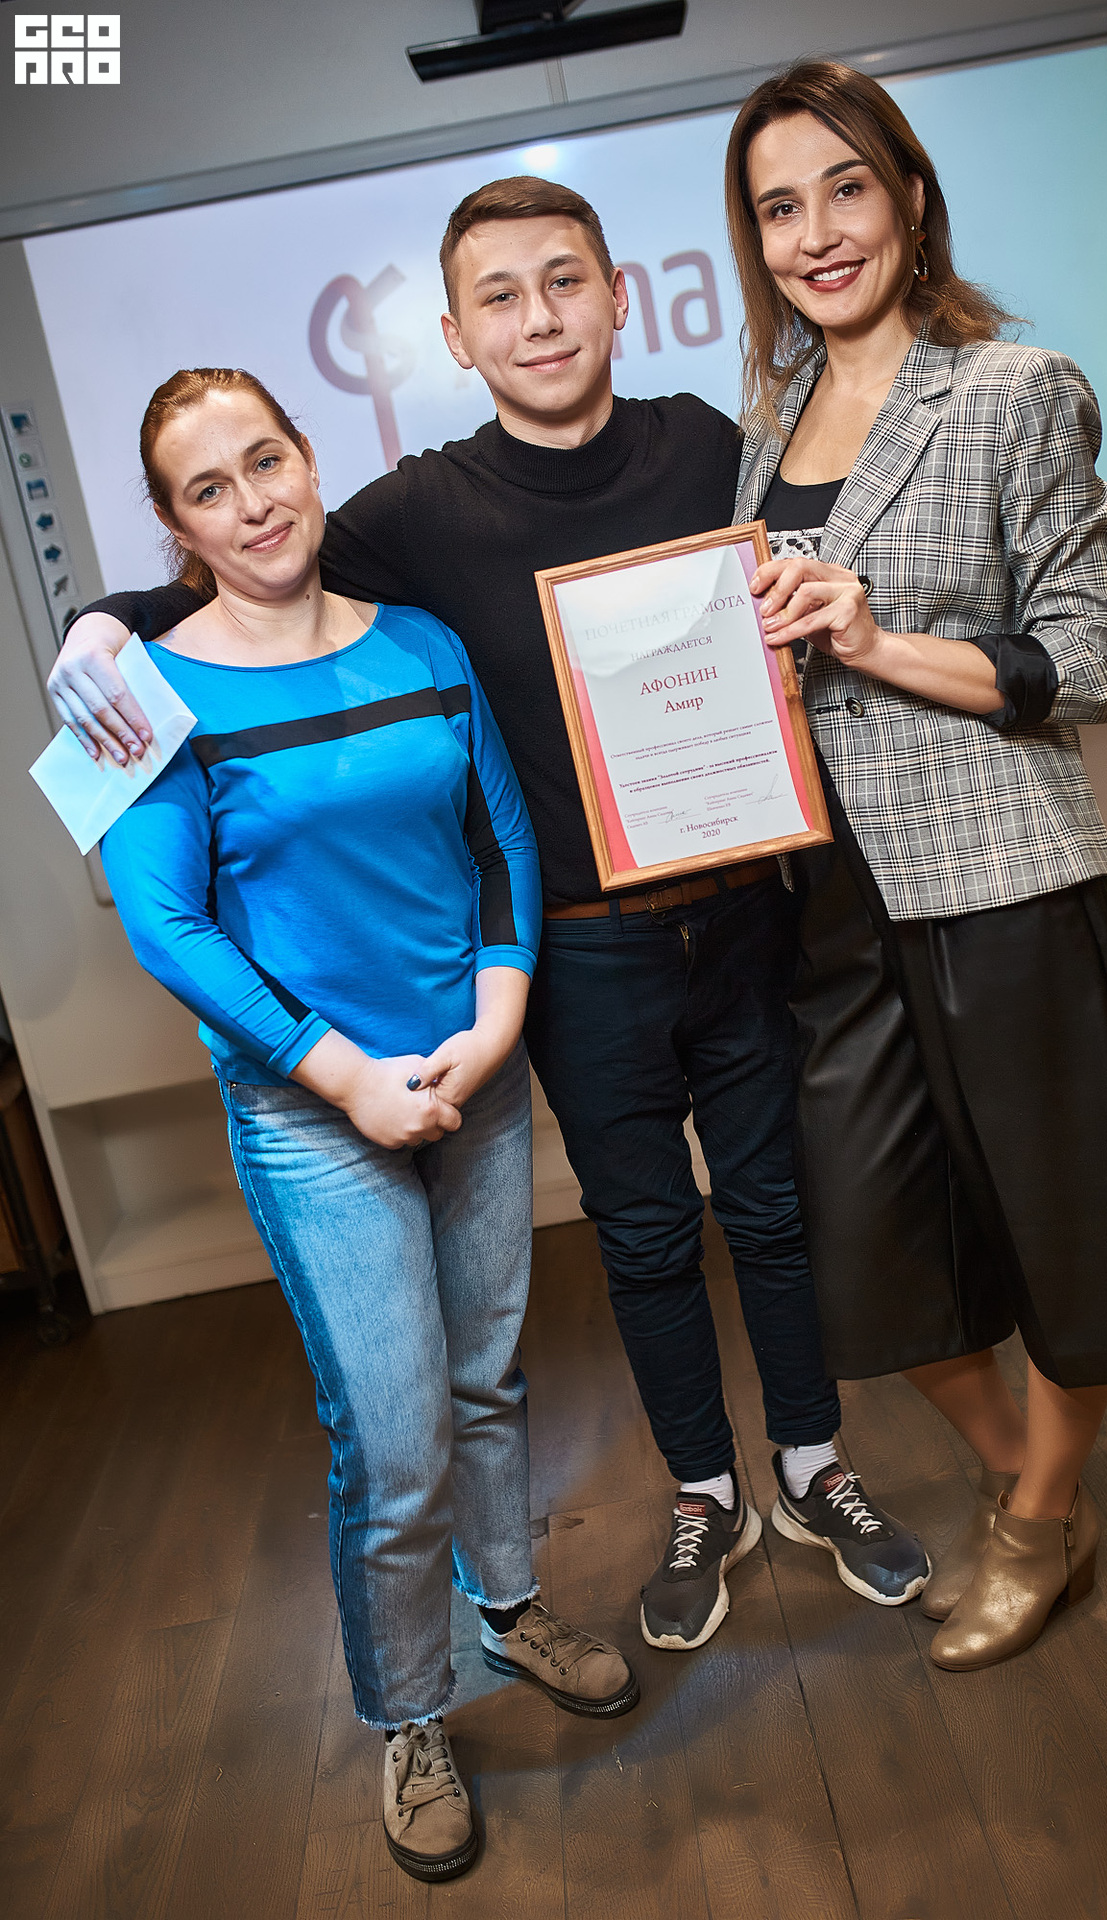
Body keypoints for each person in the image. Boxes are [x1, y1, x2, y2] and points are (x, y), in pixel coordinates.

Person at [50, 177, 931, 1651]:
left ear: (621, 294)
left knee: (777, 1206)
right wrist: (100, 623)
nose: (541, 319)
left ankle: (812, 1464)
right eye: (501, 298)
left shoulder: (708, 447)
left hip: (745, 908)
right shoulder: (411, 516)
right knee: (643, 1235)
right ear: (454, 337)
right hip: (578, 952)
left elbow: (801, 572)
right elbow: (249, 574)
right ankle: (705, 1492)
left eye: (566, 281)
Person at [99, 366, 638, 1883]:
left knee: (488, 1382)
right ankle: (411, 1713)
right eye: (209, 490)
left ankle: (509, 1607)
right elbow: (163, 925)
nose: (254, 503)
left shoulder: (423, 641)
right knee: (394, 1446)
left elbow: (499, 833)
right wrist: (343, 1076)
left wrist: (500, 1015)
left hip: (473, 1071)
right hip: (312, 1113)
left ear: (310, 459)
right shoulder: (145, 698)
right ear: (177, 527)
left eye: (266, 461)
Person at [722, 60, 1107, 1670]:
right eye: (778, 207)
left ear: (911, 197)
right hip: (827, 897)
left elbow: (1088, 661)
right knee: (873, 1252)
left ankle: (1034, 1519)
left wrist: (875, 638)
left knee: (1067, 1225)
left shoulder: (1016, 388)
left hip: (1001, 874)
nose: (815, 233)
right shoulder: (766, 421)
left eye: (844, 188)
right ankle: (1033, 1492)